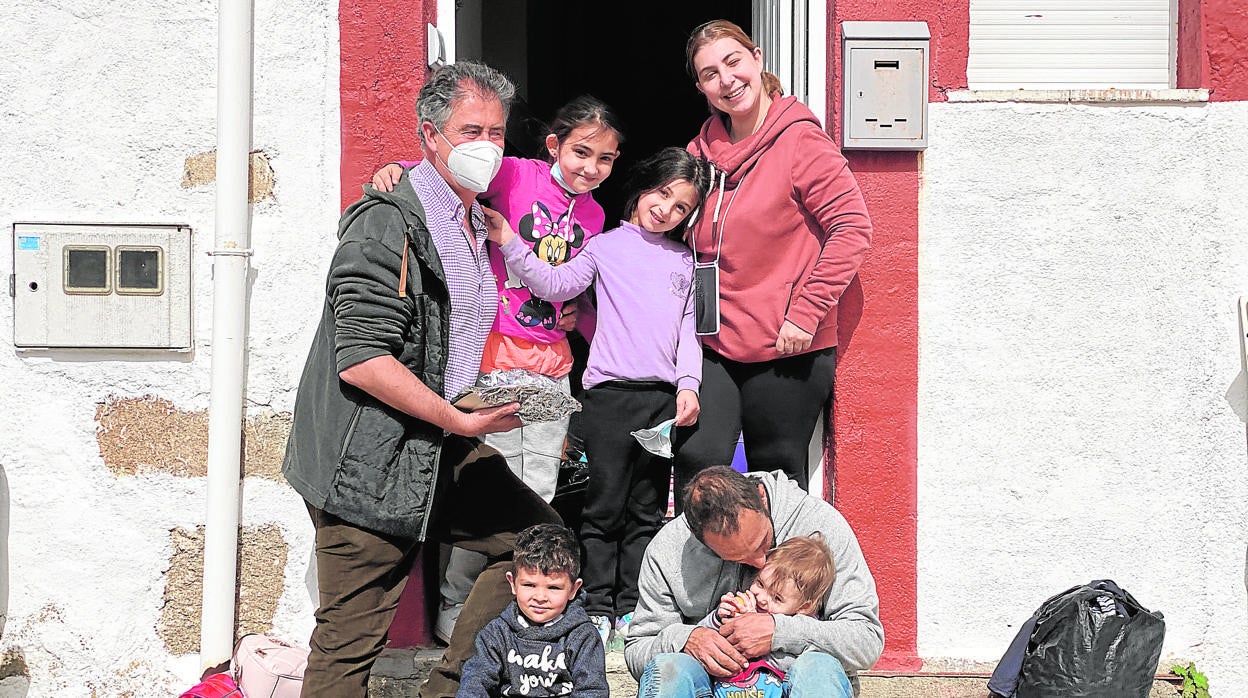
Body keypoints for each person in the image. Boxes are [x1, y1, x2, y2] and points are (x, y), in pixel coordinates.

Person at [281, 61, 561, 698]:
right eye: (470, 131)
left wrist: (481, 397)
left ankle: (448, 690)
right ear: (430, 135)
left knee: (539, 545)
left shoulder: (472, 220)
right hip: (371, 459)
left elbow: (446, 340)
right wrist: (460, 419)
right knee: (349, 645)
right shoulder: (388, 222)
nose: (486, 146)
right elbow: (363, 360)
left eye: (496, 132)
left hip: (442, 441)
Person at [372, 96, 625, 643]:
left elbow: (570, 282)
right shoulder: (512, 174)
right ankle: (456, 611)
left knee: (538, 495)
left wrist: (574, 313)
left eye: (605, 159)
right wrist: (400, 169)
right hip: (493, 356)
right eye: (581, 151)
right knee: (491, 494)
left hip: (551, 363)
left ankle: (510, 612)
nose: (591, 168)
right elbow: (447, 177)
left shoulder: (596, 215)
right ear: (554, 145)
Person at [482, 147, 710, 650]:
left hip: (661, 404)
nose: (666, 210)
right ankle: (596, 608)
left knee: (647, 510)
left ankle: (632, 610)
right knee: (602, 510)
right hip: (608, 398)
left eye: (681, 208)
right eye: (663, 193)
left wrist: (688, 386)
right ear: (644, 184)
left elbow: (690, 330)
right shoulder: (605, 247)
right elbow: (557, 282)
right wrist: (509, 240)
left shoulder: (685, 261)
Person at [674, 19, 873, 495]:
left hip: (786, 344)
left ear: (757, 59)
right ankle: (700, 572)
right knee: (698, 462)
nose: (726, 80)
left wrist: (805, 314)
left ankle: (778, 572)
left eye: (733, 61)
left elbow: (852, 229)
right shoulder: (698, 154)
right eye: (709, 73)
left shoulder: (800, 141)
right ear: (701, 87)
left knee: (775, 478)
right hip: (714, 341)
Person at [624, 466, 883, 697]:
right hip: (712, 686)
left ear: (760, 496)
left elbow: (866, 640)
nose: (760, 563)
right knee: (669, 668)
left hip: (796, 683)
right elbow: (638, 650)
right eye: (737, 558)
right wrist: (686, 639)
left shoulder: (822, 526)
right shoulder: (667, 549)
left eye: (763, 542)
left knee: (819, 668)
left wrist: (780, 631)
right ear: (699, 540)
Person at [457, 523, 609, 698]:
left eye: (554, 588)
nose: (540, 597)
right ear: (512, 583)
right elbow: (475, 681)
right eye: (529, 585)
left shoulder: (583, 637)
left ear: (574, 589)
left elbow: (592, 691)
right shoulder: (496, 633)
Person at [696, 535, 836, 697]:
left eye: (777, 598)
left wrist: (753, 627)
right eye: (760, 584)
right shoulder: (742, 605)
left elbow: (791, 665)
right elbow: (702, 642)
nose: (761, 598)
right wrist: (718, 618)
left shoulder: (799, 628)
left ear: (804, 607)